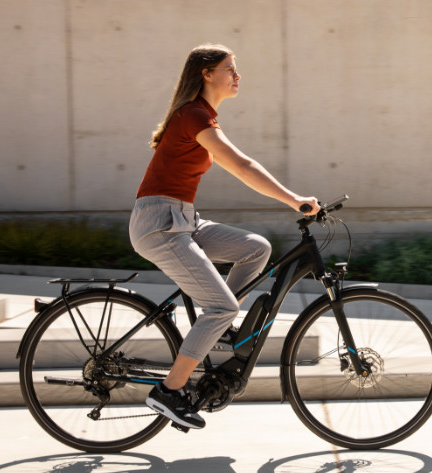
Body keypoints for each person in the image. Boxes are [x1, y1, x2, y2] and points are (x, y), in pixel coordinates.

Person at [129, 43, 319, 429]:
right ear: (207, 74)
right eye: (230, 68)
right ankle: (169, 391)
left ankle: (218, 334)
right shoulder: (193, 115)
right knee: (222, 306)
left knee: (256, 249)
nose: (237, 75)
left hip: (182, 219)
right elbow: (244, 167)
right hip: (159, 224)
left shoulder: (201, 115)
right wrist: (294, 200)